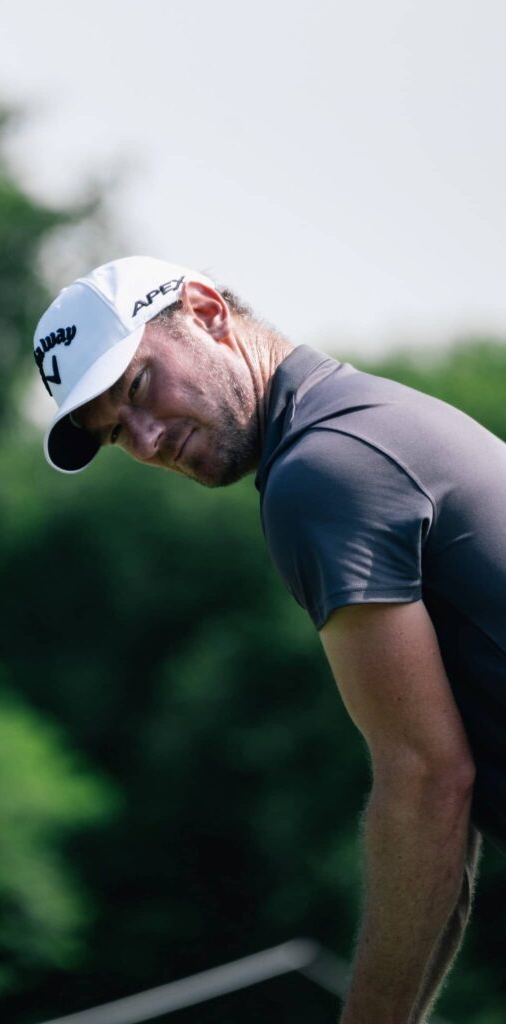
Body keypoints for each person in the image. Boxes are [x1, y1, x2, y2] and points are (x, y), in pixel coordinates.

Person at [33, 255, 505, 1024]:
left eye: (140, 387)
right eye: (116, 432)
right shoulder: (363, 419)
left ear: (206, 311)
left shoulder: (320, 473)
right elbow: (438, 795)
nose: (147, 440)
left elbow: (424, 782)